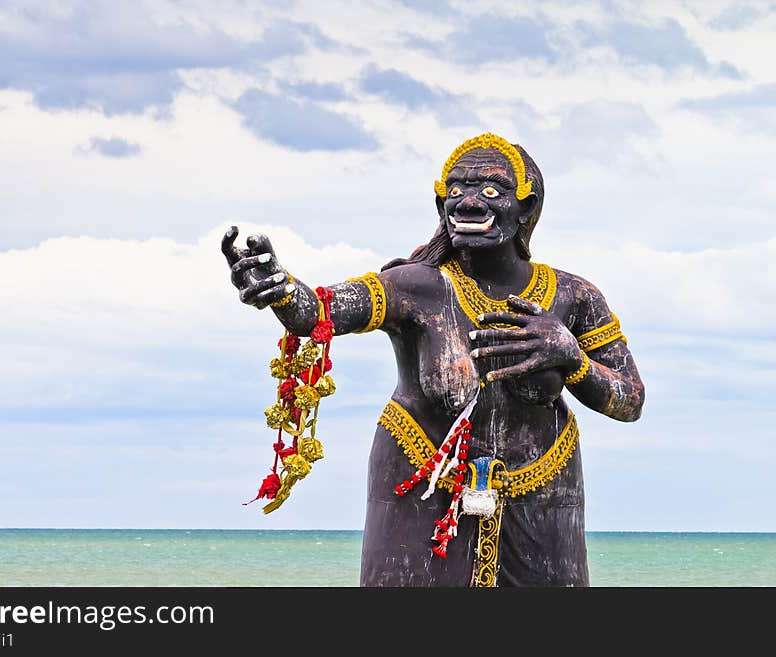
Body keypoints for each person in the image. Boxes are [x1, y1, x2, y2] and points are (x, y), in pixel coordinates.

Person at [221, 132, 644, 586]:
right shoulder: (413, 286)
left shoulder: (573, 297)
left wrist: (570, 355)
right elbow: (318, 311)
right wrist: (281, 289)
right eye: (455, 190)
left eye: (490, 190)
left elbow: (629, 400)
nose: (467, 202)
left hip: (544, 491)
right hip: (419, 484)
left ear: (527, 206)